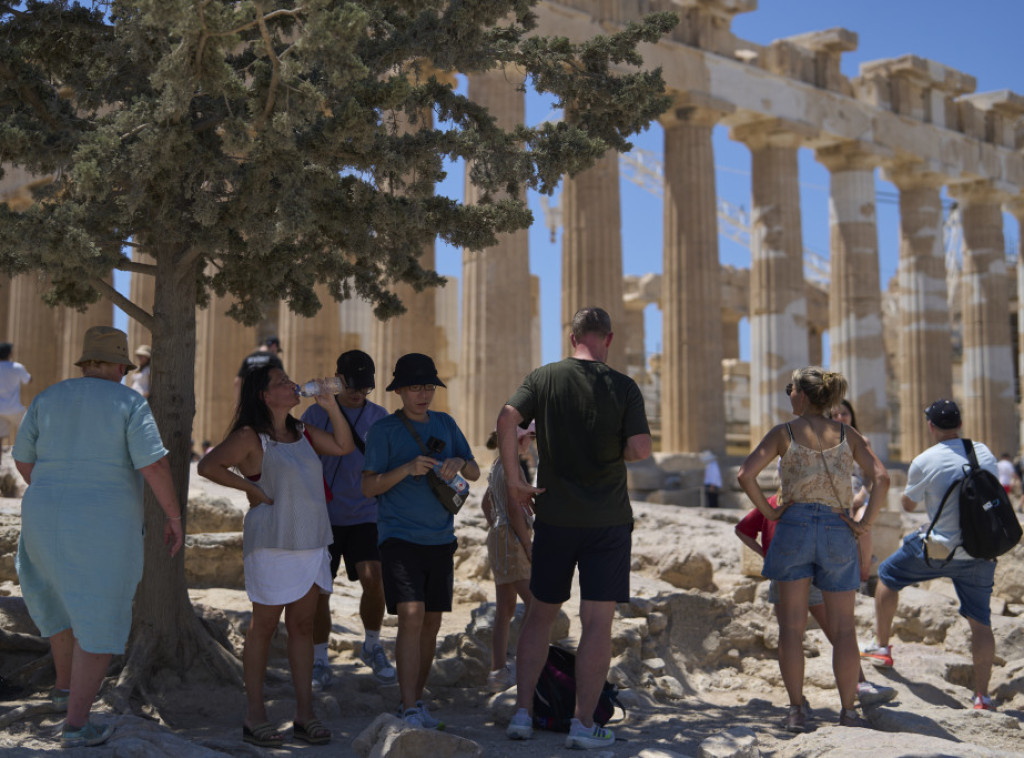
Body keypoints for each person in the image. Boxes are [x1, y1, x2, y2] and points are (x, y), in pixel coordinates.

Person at [13, 326, 182, 748]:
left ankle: (64, 690)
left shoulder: (49, 396)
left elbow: (22, 459)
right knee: (101, 617)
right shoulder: (129, 402)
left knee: (57, 601)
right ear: (118, 366)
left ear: (86, 363)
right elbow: (154, 467)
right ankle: (76, 723)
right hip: (102, 523)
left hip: (41, 513)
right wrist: (174, 515)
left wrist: (56, 489)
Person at [498, 307, 652, 750]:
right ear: (608, 339)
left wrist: (514, 481)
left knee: (540, 615)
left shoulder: (544, 378)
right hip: (607, 520)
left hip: (555, 516)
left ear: (572, 339)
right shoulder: (623, 386)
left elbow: (507, 419)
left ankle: (524, 713)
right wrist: (614, 447)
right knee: (597, 623)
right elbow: (640, 448)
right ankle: (584, 724)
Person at [198, 365, 355, 747]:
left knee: (303, 627)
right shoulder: (250, 436)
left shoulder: (302, 432)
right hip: (272, 542)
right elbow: (208, 465)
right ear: (264, 396)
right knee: (263, 628)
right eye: (281, 382)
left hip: (312, 541)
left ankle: (305, 715)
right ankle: (255, 716)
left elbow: (343, 447)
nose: (290, 384)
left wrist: (331, 405)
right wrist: (250, 489)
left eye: (289, 380)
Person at [737, 367, 889, 731]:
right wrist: (865, 524)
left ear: (802, 396)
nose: (787, 394)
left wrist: (770, 510)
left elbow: (745, 473)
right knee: (846, 629)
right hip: (838, 528)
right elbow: (882, 477)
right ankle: (848, 711)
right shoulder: (847, 434)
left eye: (790, 389)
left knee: (791, 628)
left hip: (793, 528)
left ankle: (795, 711)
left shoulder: (783, 433)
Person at [361, 353, 479, 729]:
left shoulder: (446, 423)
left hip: (441, 538)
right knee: (410, 615)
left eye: (428, 386)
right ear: (399, 391)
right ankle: (409, 704)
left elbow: (475, 469)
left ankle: (415, 699)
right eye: (415, 387)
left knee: (431, 622)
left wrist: (459, 463)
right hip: (399, 536)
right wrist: (406, 469)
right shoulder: (383, 431)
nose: (423, 394)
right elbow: (368, 486)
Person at [861, 399, 1000, 711]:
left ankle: (881, 645)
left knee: (887, 575)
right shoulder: (984, 452)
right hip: (980, 551)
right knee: (981, 622)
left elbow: (908, 506)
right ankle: (982, 696)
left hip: (937, 548)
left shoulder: (925, 460)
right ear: (960, 424)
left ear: (930, 426)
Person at [735, 492, 896, 712]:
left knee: (790, 633)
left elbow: (742, 529)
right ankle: (859, 687)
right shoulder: (822, 501)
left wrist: (767, 554)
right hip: (815, 575)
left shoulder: (773, 501)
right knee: (839, 631)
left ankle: (796, 705)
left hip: (784, 572)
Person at [300, 350, 396, 689]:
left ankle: (371, 644)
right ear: (337, 380)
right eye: (352, 386)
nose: (358, 394)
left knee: (375, 580)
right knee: (320, 591)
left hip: (366, 513)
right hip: (323, 515)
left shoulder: (381, 417)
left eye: (365, 388)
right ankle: (320, 658)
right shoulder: (314, 413)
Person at [481, 422, 536, 692]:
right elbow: (515, 508)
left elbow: (486, 503)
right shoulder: (513, 465)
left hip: (499, 535)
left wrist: (496, 525)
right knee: (536, 605)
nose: (532, 442)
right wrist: (527, 545)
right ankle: (520, 664)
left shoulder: (498, 463)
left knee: (505, 608)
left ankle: (497, 672)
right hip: (513, 538)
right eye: (530, 437)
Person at [830, 400, 873, 587]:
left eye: (844, 413)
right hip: (833, 497)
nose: (840, 417)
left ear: (851, 415)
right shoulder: (823, 443)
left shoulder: (863, 441)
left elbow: (871, 474)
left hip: (858, 494)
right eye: (835, 414)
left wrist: (862, 495)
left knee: (862, 520)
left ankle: (864, 572)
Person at [0, 341, 31, 466]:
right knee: (31, 431)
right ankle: (30, 463)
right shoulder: (17, 367)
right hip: (14, 409)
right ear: (10, 353)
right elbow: (28, 380)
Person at [234, 337, 284, 406]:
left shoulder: (248, 358)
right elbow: (282, 381)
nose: (276, 352)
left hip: (250, 400)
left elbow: (237, 381)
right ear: (274, 346)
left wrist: (237, 403)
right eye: (277, 350)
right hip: (268, 400)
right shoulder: (273, 359)